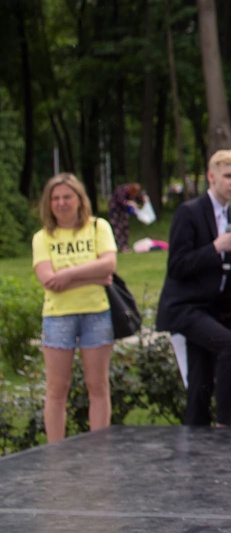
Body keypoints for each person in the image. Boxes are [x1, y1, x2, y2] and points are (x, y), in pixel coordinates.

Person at [155, 150, 231, 427]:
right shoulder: (189, 212)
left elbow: (228, 274)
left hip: (214, 309)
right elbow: (177, 265)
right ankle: (226, 423)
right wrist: (214, 248)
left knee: (200, 378)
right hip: (186, 307)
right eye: (228, 176)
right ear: (211, 176)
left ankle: (196, 432)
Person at [31, 173, 117, 443]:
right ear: (48, 203)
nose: (61, 203)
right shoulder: (43, 237)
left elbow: (109, 266)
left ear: (80, 200)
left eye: (67, 196)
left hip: (96, 313)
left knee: (98, 385)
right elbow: (48, 280)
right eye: (55, 198)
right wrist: (91, 276)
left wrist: (66, 275)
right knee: (57, 388)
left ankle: (98, 446)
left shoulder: (97, 227)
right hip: (57, 318)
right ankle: (55, 449)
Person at [108, 182, 147, 253]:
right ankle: (118, 248)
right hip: (115, 212)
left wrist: (143, 198)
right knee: (117, 230)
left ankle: (125, 247)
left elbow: (138, 197)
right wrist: (130, 203)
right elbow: (121, 200)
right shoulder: (121, 190)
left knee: (125, 229)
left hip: (124, 212)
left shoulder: (132, 192)